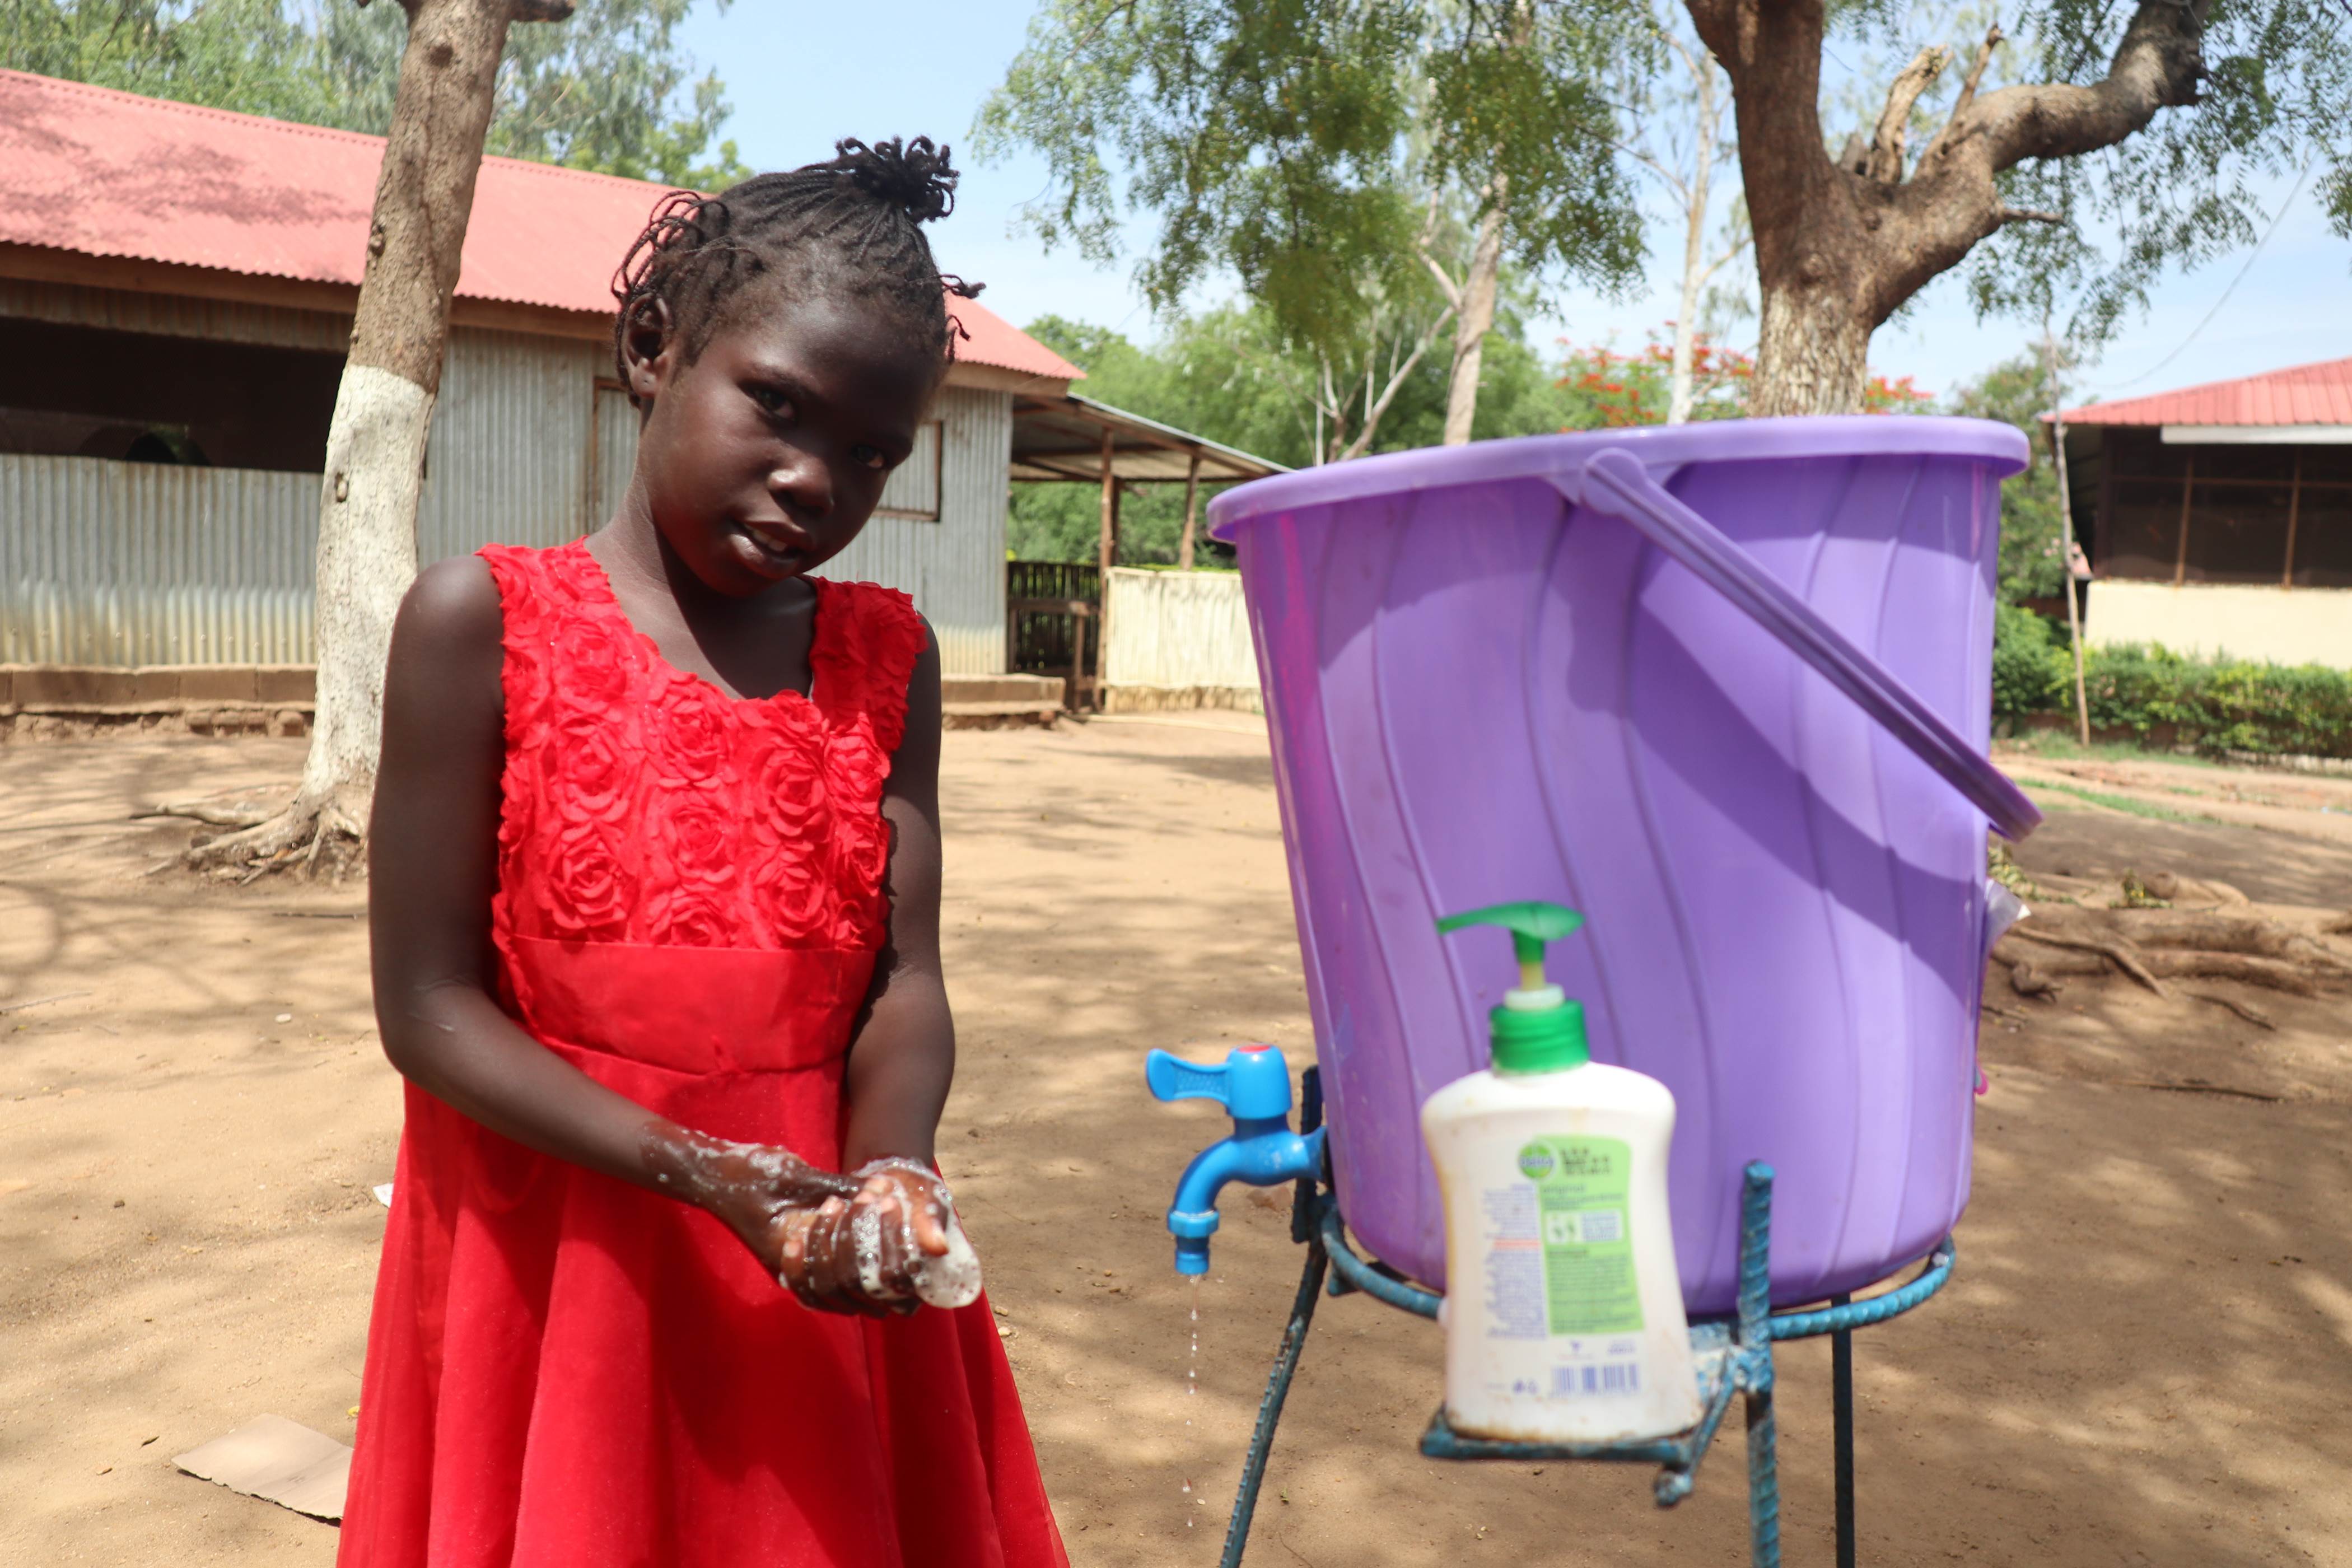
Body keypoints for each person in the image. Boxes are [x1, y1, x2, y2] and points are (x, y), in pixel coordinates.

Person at [339, 138, 1068, 1568]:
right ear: (653, 346)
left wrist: (894, 1171)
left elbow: (902, 982)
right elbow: (424, 1010)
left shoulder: (884, 657)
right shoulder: (477, 624)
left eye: (872, 452)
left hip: (812, 1258)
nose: (817, 480)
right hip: (564, 1249)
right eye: (779, 408)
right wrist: (703, 1171)